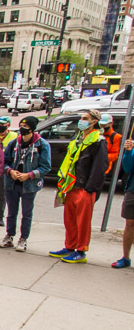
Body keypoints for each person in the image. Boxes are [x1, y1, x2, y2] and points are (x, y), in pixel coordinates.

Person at [50, 109, 108, 263]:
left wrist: (90, 188)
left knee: (82, 221)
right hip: (71, 185)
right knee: (69, 219)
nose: (81, 121)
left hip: (85, 187)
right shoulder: (78, 139)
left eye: (85, 118)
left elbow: (99, 167)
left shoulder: (98, 141)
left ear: (94, 121)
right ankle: (69, 246)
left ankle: (81, 251)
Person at [0, 116, 51, 253]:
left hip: (29, 185)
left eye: (26, 127)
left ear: (32, 129)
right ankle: (9, 236)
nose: (22, 129)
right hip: (12, 182)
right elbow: (4, 162)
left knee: (27, 213)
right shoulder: (14, 143)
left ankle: (23, 238)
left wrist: (29, 175)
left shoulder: (42, 145)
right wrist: (10, 171)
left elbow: (46, 167)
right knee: (11, 212)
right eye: (21, 125)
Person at [0, 116, 19, 227]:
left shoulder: (14, 136)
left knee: (2, 195)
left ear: (8, 125)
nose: (0, 126)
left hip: (4, 169)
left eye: (3, 124)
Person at [112, 137, 134, 268]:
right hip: (132, 190)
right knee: (130, 224)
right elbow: (128, 167)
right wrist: (128, 151)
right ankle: (126, 257)